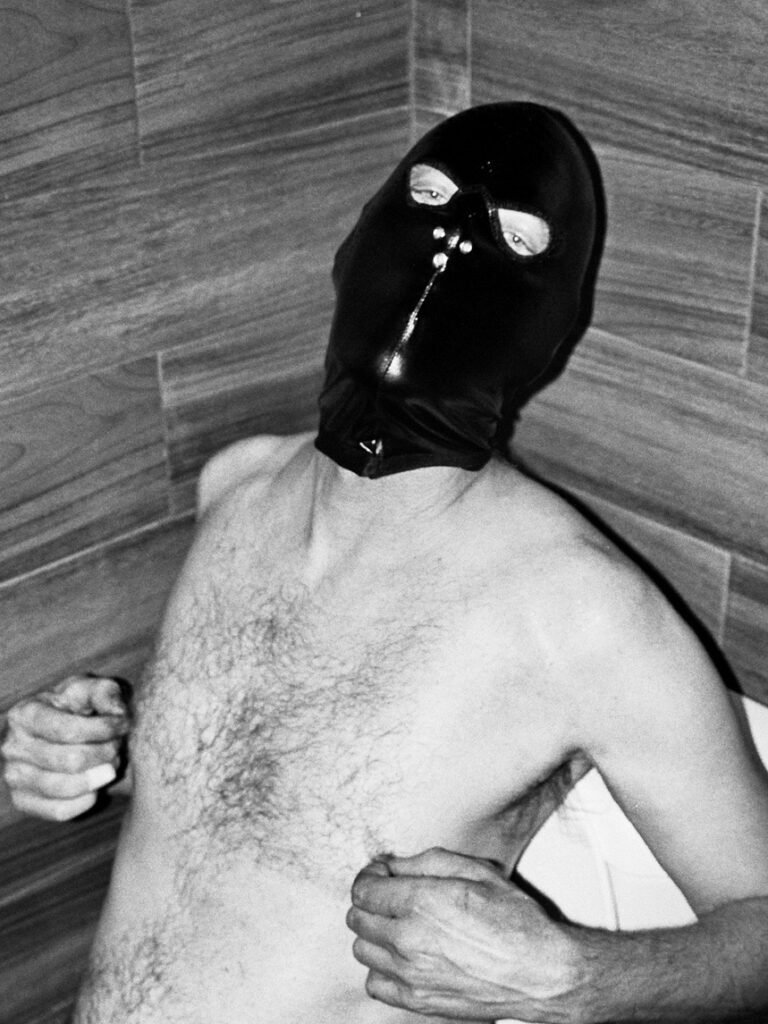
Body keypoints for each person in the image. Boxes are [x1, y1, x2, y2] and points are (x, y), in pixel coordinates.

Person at [3, 103, 768, 1024]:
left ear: (549, 329)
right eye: (430, 197)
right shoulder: (238, 488)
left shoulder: (577, 613)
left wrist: (573, 979)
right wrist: (94, 755)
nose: (452, 249)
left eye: (516, 239)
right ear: (358, 241)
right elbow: (256, 799)